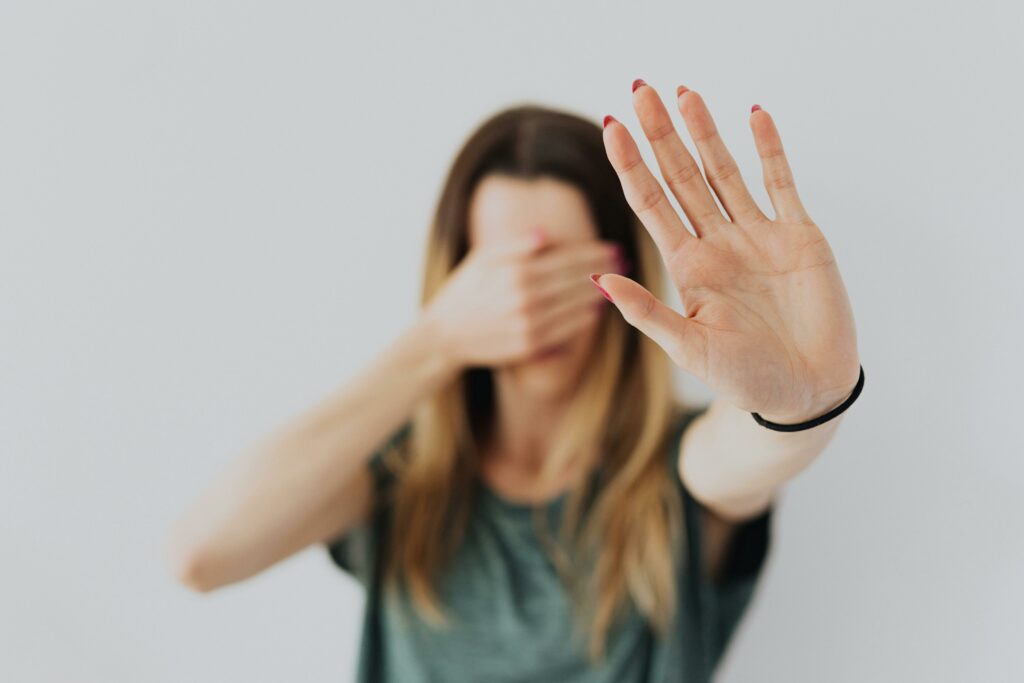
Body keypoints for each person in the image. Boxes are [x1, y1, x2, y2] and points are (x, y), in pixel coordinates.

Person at [164, 79, 861, 683]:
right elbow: (201, 553)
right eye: (506, 274)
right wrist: (436, 339)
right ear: (458, 276)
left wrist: (808, 398)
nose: (533, 306)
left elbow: (756, 449)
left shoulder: (672, 473)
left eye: (568, 272)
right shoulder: (400, 474)